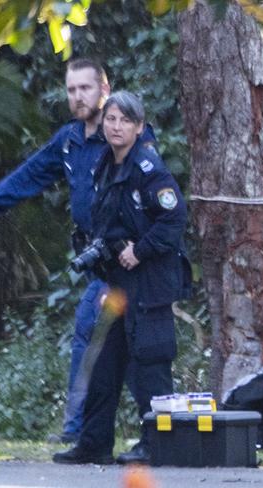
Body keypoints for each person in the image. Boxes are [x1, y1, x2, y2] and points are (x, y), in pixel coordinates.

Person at [0, 59, 156, 444]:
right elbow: (27, 177)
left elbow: (152, 191)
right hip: (100, 262)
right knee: (98, 339)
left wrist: (140, 244)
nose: (78, 97)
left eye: (85, 88)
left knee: (127, 344)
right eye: (71, 90)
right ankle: (82, 431)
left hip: (133, 259)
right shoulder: (70, 140)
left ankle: (134, 431)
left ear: (104, 89)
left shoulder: (125, 133)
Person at [53, 91, 191, 465]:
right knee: (102, 363)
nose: (116, 127)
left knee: (151, 365)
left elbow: (175, 220)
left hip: (150, 283)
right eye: (111, 119)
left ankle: (158, 445)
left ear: (139, 127)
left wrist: (140, 250)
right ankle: (93, 443)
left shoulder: (149, 169)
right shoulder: (105, 164)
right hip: (118, 284)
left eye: (124, 121)